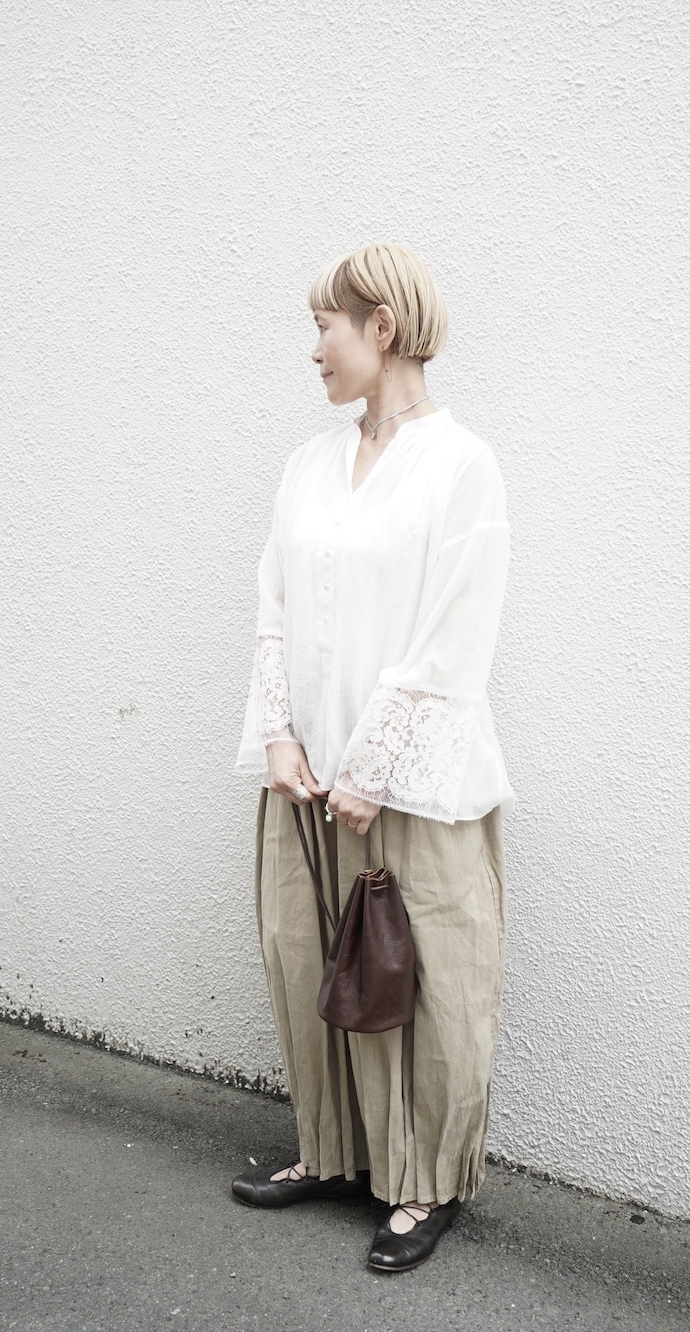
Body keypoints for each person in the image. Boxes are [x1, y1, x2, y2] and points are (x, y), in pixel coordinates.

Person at [233, 242, 514, 1272]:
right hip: (304, 778)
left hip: (410, 785)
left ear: (381, 327)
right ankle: (331, 1150)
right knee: (305, 954)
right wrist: (278, 732)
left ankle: (423, 1182)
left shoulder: (460, 464)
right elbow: (273, 604)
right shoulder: (308, 463)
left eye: (325, 327)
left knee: (428, 983)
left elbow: (454, 631)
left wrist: (371, 766)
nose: (313, 349)